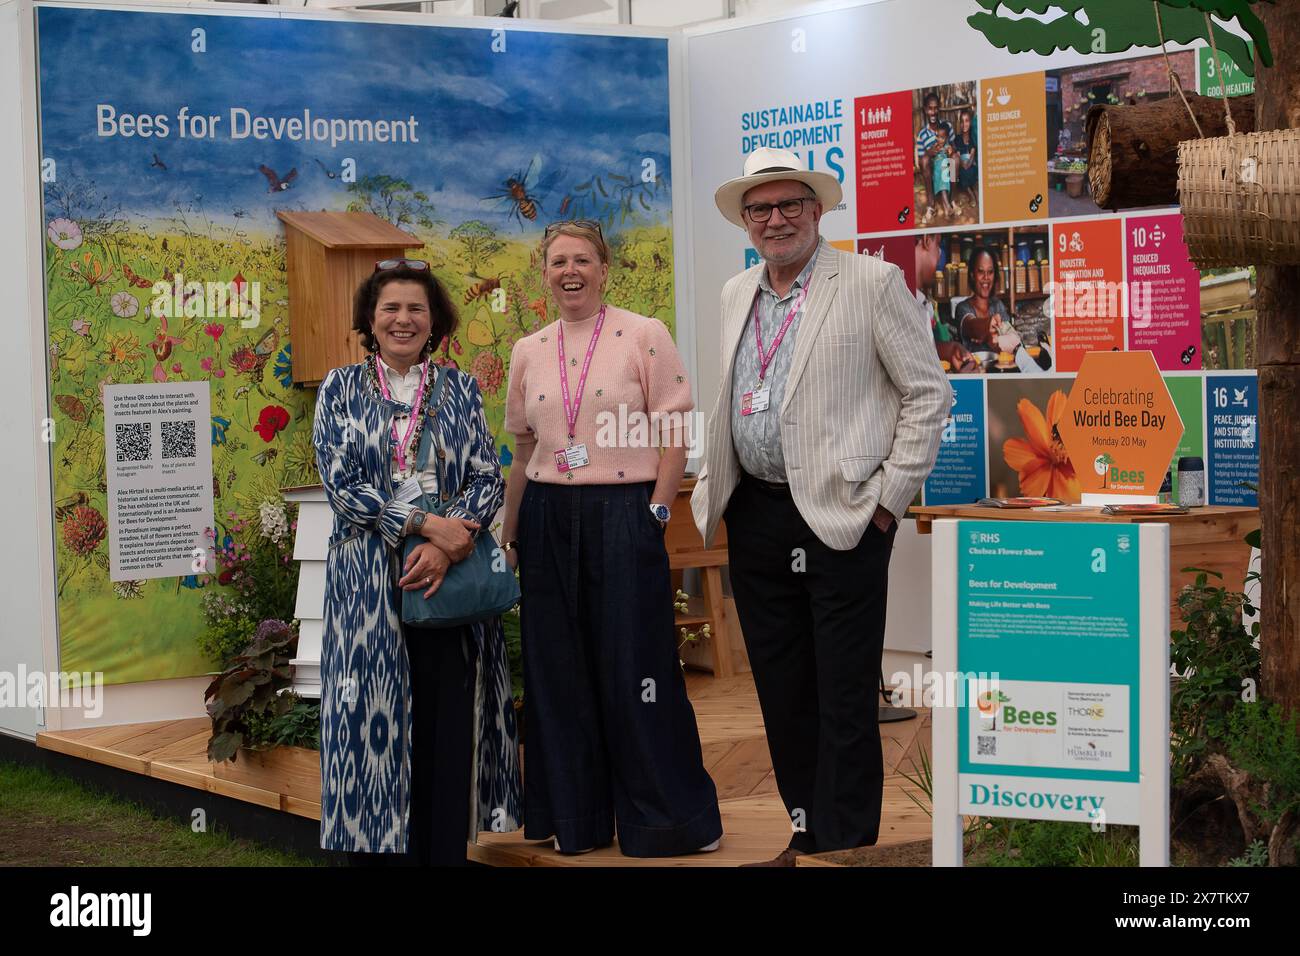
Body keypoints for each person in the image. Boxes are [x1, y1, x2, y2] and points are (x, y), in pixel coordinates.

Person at [691, 147, 949, 865]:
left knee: (842, 696)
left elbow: (928, 395)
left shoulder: (871, 282)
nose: (776, 219)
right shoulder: (734, 292)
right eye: (760, 209)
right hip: (757, 514)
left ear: (817, 210)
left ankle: (846, 847)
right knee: (781, 691)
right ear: (745, 221)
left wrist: (889, 503)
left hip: (843, 517)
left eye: (789, 205)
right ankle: (805, 833)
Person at [500, 220, 723, 857]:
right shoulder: (528, 349)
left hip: (625, 511)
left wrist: (655, 513)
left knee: (638, 669)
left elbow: (675, 434)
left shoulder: (644, 334)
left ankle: (668, 823)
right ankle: (578, 822)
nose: (569, 271)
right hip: (546, 516)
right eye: (557, 261)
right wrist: (511, 533)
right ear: (543, 272)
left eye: (582, 260)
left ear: (604, 268)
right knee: (556, 672)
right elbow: (523, 449)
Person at [312, 260, 522, 866]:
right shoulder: (339, 389)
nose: (403, 319)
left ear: (434, 322)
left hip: (446, 582)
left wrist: (448, 543)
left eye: (416, 309)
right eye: (390, 309)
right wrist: (422, 525)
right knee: (368, 718)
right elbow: (341, 482)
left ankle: (441, 857)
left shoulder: (459, 389)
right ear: (370, 321)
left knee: (444, 721)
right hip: (368, 584)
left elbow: (486, 477)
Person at [954, 247, 1051, 372]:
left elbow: (1010, 339)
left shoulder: (997, 305)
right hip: (975, 374)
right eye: (980, 272)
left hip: (1001, 371)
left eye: (990, 272)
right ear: (972, 275)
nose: (986, 277)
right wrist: (987, 327)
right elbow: (971, 325)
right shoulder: (963, 307)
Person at [915, 234, 977, 373]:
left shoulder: (922, 301)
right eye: (938, 246)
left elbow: (919, 350)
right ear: (926, 240)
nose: (939, 257)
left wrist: (949, 350)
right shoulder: (902, 300)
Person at [915, 91, 954, 217]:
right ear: (925, 110)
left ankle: (951, 199)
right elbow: (921, 160)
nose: (933, 112)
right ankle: (931, 204)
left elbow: (953, 145)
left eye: (936, 108)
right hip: (932, 168)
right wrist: (929, 152)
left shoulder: (947, 126)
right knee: (926, 160)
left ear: (939, 108)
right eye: (930, 109)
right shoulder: (922, 135)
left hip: (945, 162)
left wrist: (951, 150)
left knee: (954, 160)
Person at [952, 109, 979, 211]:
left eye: (967, 120)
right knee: (962, 172)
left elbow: (972, 153)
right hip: (962, 165)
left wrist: (969, 163)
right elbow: (958, 155)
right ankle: (971, 194)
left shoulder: (972, 137)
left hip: (970, 164)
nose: (964, 124)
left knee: (972, 170)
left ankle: (973, 189)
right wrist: (963, 164)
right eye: (962, 121)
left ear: (970, 122)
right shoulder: (957, 138)